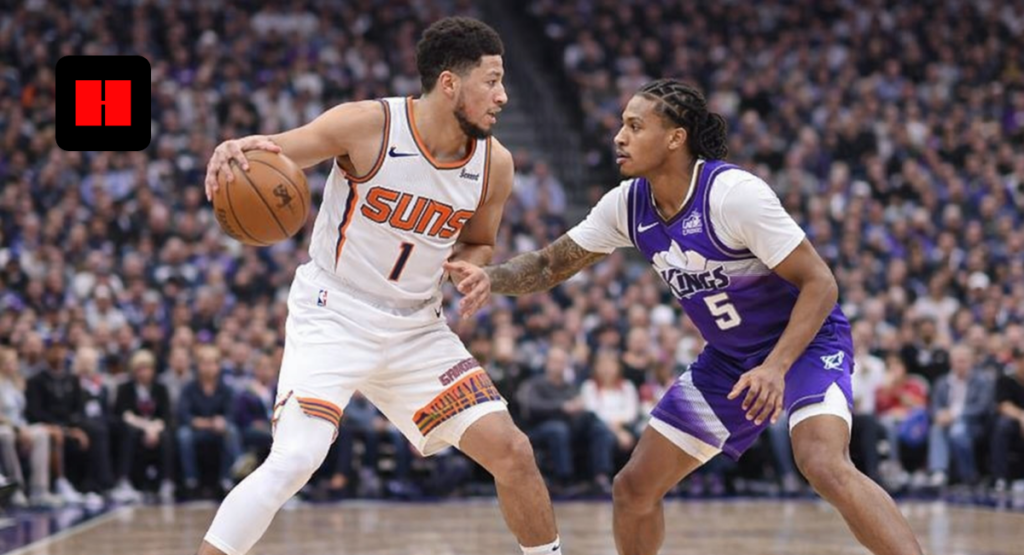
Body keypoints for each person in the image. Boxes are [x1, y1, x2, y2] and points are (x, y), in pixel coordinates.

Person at [447, 79, 922, 554]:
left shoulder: (733, 194)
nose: (619, 136)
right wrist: (492, 277)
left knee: (822, 462)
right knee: (633, 490)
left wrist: (776, 367)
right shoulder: (627, 205)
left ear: (675, 137)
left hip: (804, 344)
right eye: (621, 125)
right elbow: (550, 264)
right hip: (730, 361)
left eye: (635, 126)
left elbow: (821, 284)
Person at [199, 17, 561, 555]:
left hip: (418, 325)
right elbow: (272, 154)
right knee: (296, 459)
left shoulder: (495, 165)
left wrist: (474, 266)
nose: (503, 96)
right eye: (491, 80)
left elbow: (480, 240)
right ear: (449, 84)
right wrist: (233, 150)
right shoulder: (368, 124)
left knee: (513, 451)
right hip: (334, 311)